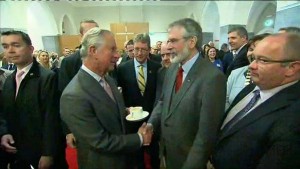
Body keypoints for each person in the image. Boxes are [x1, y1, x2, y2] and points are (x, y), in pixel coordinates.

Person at [60, 28, 153, 169]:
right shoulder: (74, 95)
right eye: (112, 49)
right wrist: (140, 138)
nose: (117, 55)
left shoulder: (108, 79)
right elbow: (100, 141)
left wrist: (126, 111)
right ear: (93, 51)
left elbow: (107, 112)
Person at [212, 33, 300, 169]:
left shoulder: (294, 115)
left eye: (263, 60)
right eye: (253, 58)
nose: (251, 66)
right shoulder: (253, 87)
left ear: (291, 68)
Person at [147, 18, 226, 169]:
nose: (168, 47)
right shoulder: (172, 69)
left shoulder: (213, 78)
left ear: (191, 42)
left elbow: (206, 135)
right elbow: (163, 102)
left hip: (189, 160)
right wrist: (151, 124)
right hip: (167, 154)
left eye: (173, 41)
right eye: (168, 41)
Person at [0, 30, 66, 169]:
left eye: (16, 45)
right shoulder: (9, 80)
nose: (10, 51)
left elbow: (51, 118)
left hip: (41, 151)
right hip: (18, 151)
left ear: (31, 49)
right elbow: (6, 112)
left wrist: (48, 153)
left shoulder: (47, 77)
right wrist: (4, 132)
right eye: (5, 46)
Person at [117, 33, 161, 169]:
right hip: (132, 122)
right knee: (135, 159)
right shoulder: (123, 69)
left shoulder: (157, 68)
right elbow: (120, 96)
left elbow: (159, 96)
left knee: (155, 156)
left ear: (149, 50)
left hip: (152, 120)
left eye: (143, 49)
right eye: (136, 49)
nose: (139, 52)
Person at [58, 20, 99, 163]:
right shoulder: (69, 62)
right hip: (81, 125)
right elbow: (62, 97)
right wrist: (68, 130)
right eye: (89, 33)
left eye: (97, 33)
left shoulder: (105, 58)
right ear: (80, 37)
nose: (94, 37)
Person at [226, 33, 270, 109]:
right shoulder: (236, 73)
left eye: (259, 50)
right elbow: (225, 100)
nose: (254, 53)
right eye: (251, 49)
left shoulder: (275, 76)